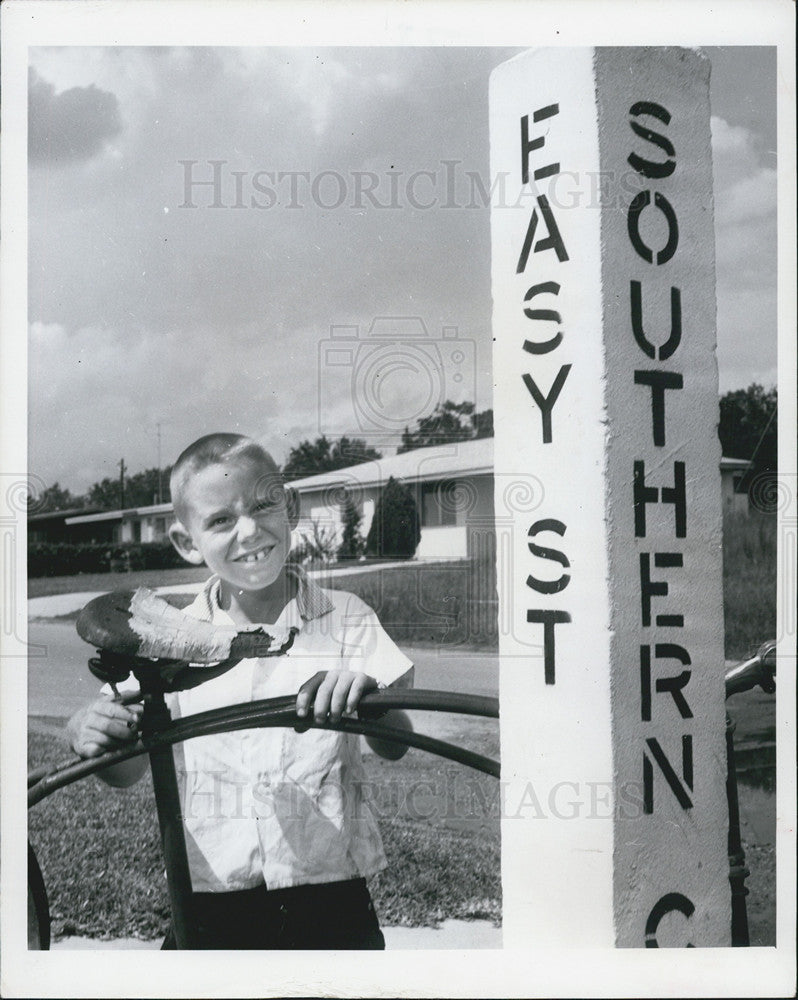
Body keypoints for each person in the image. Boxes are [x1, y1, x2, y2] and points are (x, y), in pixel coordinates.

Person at [67, 432, 414, 950]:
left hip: (331, 899)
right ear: (188, 542)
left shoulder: (347, 620)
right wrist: (92, 733)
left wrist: (368, 701)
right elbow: (126, 770)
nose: (249, 531)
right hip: (212, 899)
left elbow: (396, 742)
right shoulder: (161, 639)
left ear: (289, 507)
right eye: (221, 520)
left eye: (263, 504)